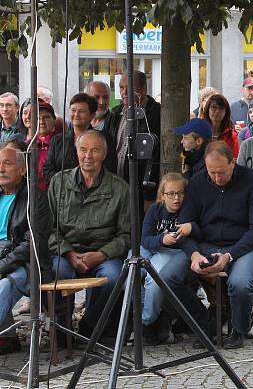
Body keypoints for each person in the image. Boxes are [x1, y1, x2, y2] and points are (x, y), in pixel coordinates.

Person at [167, 142, 253, 349]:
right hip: (205, 245)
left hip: (244, 246)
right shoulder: (196, 182)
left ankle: (238, 330)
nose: (216, 178)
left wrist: (229, 255)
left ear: (233, 163)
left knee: (240, 283)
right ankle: (206, 324)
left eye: (221, 172)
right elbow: (184, 228)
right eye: (211, 172)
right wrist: (194, 254)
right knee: (169, 278)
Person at [49, 130, 130, 343]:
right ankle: (62, 330)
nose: (88, 156)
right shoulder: (59, 182)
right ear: (76, 152)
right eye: (83, 150)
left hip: (104, 254)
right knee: (56, 273)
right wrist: (68, 252)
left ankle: (89, 329)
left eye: (94, 151)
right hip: (66, 252)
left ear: (104, 154)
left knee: (112, 279)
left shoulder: (120, 188)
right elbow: (48, 228)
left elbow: (126, 235)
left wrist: (102, 254)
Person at [0, 145, 52, 354]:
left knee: (4, 285)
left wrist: (2, 266)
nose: (1, 168)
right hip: (5, 258)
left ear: (22, 170)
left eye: (7, 163)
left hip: (29, 263)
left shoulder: (35, 198)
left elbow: (31, 245)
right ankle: (7, 337)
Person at [139, 174, 191, 345]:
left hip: (172, 253)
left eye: (180, 193)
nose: (176, 198)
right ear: (162, 195)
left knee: (154, 278)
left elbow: (188, 241)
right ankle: (141, 317)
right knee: (129, 274)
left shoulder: (187, 212)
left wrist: (168, 241)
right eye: (171, 193)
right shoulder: (155, 210)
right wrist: (161, 239)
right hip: (153, 247)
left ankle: (146, 320)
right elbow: (145, 239)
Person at [113, 70, 161, 209]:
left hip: (142, 189)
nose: (125, 92)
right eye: (122, 87)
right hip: (117, 186)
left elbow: (156, 157)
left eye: (130, 88)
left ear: (144, 88)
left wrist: (149, 195)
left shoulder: (156, 114)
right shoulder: (116, 113)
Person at [43, 93, 117, 182]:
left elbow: (110, 169)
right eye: (73, 110)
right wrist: (68, 184)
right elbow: (47, 171)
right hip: (63, 192)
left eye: (82, 111)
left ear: (92, 115)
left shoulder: (104, 140)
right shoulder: (57, 140)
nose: (76, 115)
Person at [16, 100, 58, 192]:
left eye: (46, 117)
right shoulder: (26, 146)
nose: (42, 121)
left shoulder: (62, 143)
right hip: (30, 196)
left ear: (54, 120)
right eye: (38, 118)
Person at [202, 93, 240, 159]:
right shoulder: (199, 133)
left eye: (221, 108)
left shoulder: (231, 136)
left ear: (226, 112)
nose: (217, 111)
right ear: (207, 109)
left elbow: (234, 160)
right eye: (213, 107)